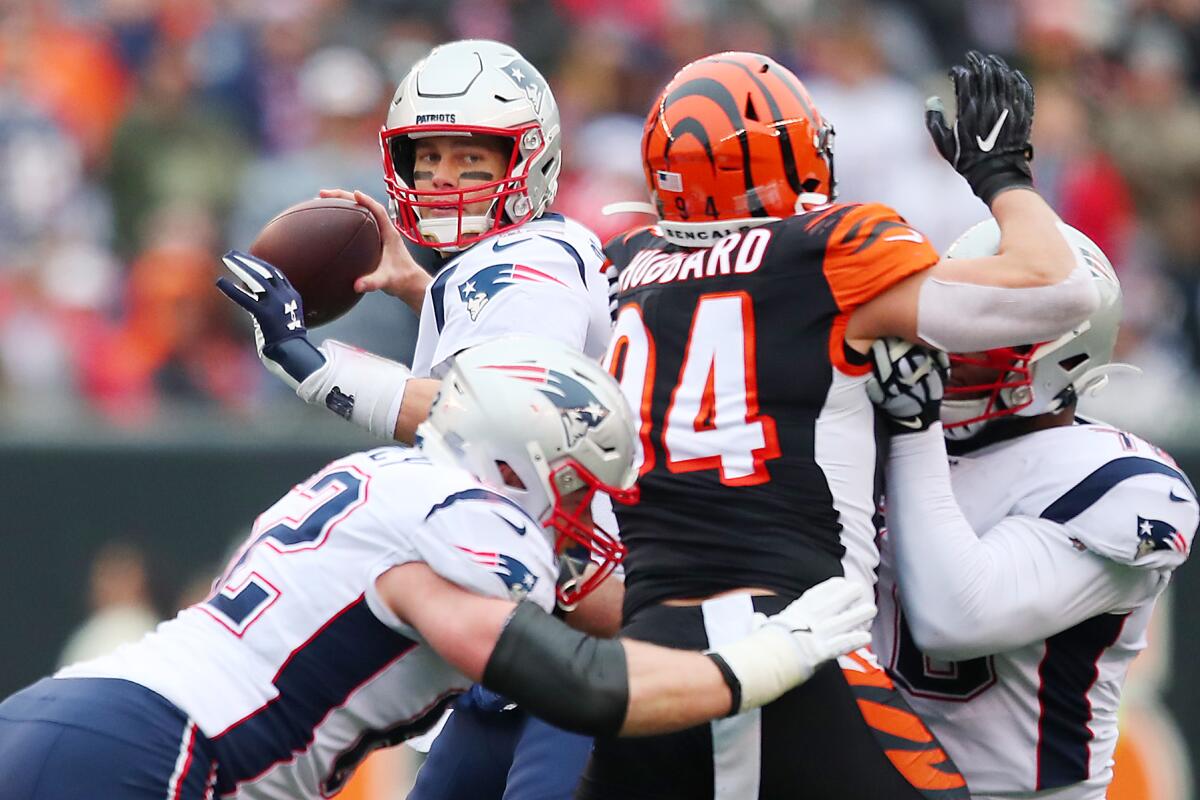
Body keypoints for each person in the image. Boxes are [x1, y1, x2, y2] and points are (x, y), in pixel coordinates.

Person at [0, 336, 874, 800]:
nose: (577, 508)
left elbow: (596, 620)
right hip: (157, 754)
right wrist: (754, 664)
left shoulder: (382, 479)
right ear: (519, 462)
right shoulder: (469, 529)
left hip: (62, 710)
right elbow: (582, 684)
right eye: (574, 482)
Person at [585, 51, 1099, 799]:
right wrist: (1004, 177)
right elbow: (1058, 288)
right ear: (784, 156)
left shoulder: (625, 264)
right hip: (788, 633)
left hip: (646, 653)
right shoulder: (828, 250)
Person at [217, 39, 619, 799]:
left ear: (528, 161)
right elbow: (492, 371)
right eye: (427, 158)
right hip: (525, 618)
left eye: (472, 160)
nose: (443, 178)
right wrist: (420, 292)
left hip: (578, 622)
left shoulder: (525, 262)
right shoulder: (513, 258)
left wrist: (314, 364)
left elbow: (508, 425)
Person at [868, 220, 1196, 800]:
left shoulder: (1125, 482)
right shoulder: (871, 437)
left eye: (991, 333)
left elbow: (955, 617)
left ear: (1065, 355)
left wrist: (914, 428)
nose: (953, 350)